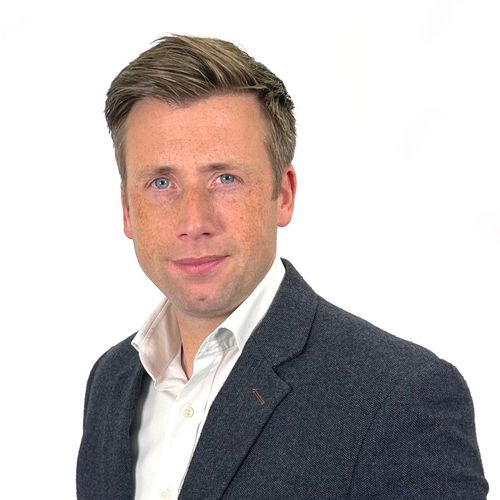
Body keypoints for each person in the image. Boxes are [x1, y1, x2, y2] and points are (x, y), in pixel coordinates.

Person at [76, 35, 488, 500]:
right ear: (128, 210)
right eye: (161, 182)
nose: (194, 222)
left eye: (225, 178)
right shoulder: (111, 382)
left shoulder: (401, 397)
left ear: (284, 195)